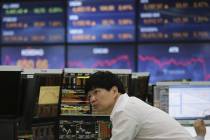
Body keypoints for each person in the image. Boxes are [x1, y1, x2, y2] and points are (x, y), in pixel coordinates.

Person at [85, 71, 195, 140]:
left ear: (114, 91)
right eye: (89, 96)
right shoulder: (128, 105)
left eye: (96, 92)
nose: (92, 99)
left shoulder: (125, 109)